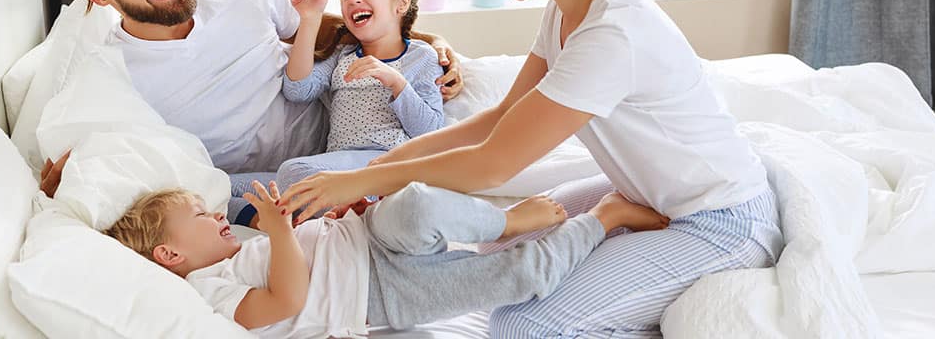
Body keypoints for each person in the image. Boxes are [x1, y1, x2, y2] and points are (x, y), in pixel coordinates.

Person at [279, 0, 784, 337]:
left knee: (522, 327)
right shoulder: (565, 8)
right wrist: (375, 168)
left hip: (718, 220)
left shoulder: (614, 33)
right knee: (500, 242)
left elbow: (494, 163)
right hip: (643, 194)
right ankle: (615, 230)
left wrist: (360, 183)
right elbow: (500, 119)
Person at [38, 0, 464, 224]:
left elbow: (322, 27)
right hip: (262, 184)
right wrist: (70, 182)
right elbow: (88, 168)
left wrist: (421, 41)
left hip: (344, 139)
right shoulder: (111, 75)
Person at [104, 181, 669, 337]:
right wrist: (277, 232)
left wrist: (305, 223)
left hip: (363, 236)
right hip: (381, 299)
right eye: (200, 217)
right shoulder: (204, 299)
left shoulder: (234, 252)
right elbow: (287, 300)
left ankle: (508, 219)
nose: (214, 215)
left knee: (417, 206)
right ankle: (607, 217)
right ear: (169, 253)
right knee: (522, 278)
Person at [275, 0, 444, 200]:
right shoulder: (342, 56)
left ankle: (355, 209)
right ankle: (334, 213)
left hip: (386, 163)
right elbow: (297, 90)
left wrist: (396, 82)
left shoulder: (422, 57)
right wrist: (310, 19)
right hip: (338, 165)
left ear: (401, 3)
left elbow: (431, 131)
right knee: (226, 187)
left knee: (293, 172)